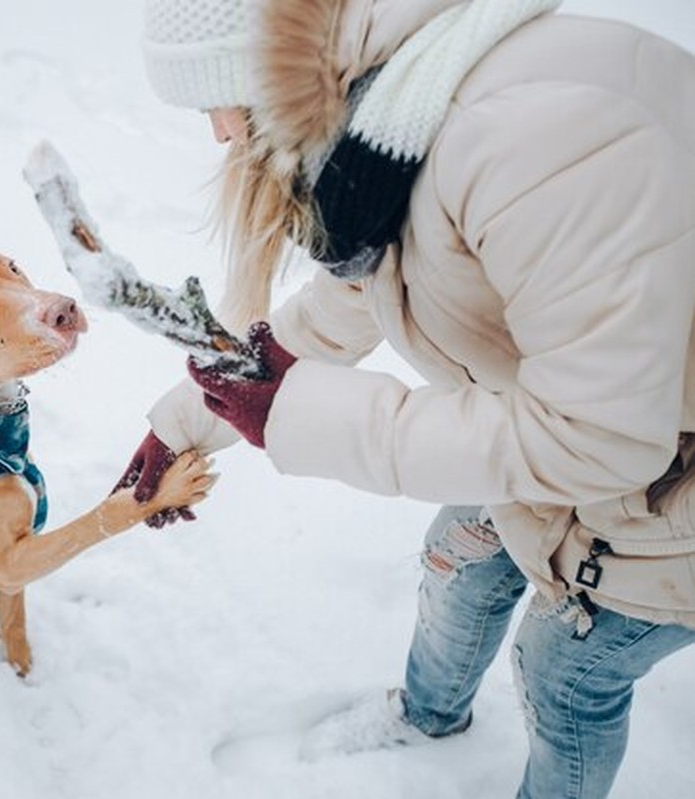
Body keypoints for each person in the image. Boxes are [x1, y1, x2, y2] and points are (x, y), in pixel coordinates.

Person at [115, 1, 695, 797]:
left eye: (216, 102)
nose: (220, 134)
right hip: (588, 428)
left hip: (667, 485)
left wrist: (297, 415)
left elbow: (602, 437)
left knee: (563, 671)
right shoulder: (404, 121)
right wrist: (190, 419)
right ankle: (427, 717)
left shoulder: (532, 141)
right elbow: (357, 300)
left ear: (262, 75)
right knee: (459, 558)